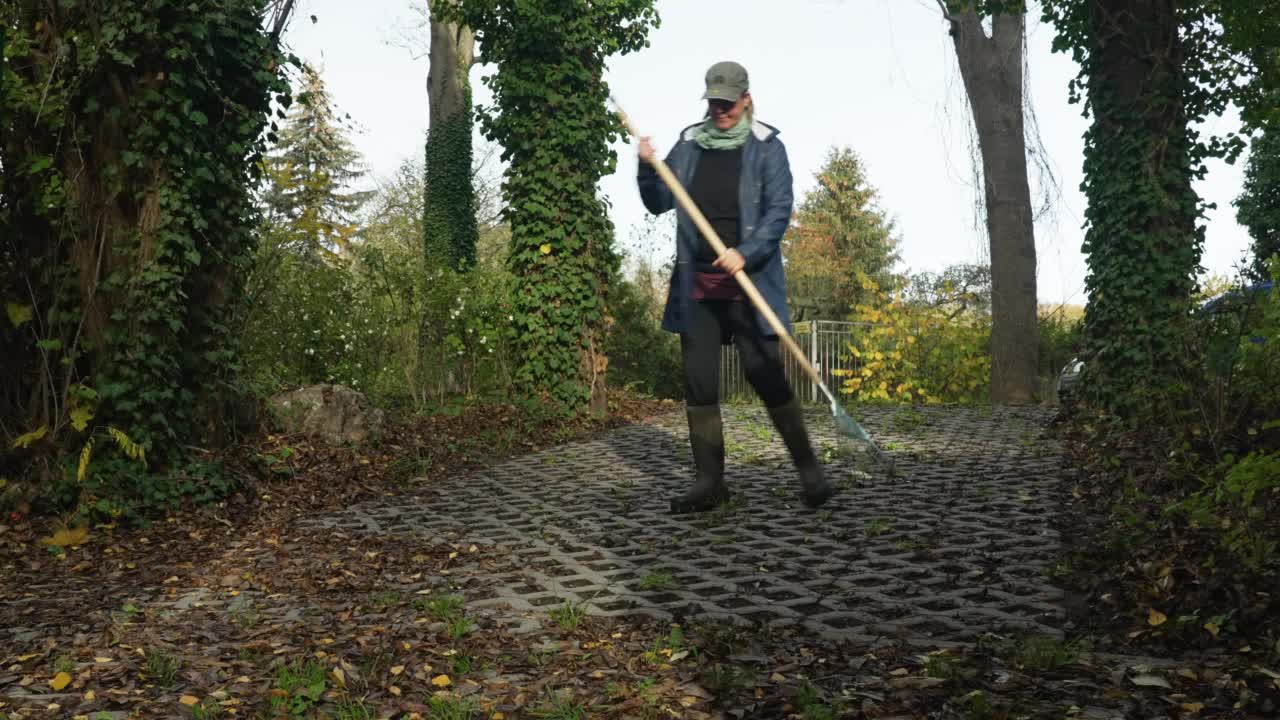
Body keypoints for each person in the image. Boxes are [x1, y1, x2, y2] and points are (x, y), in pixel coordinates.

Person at [636, 60, 836, 514]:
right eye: (714, 102)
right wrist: (647, 168)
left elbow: (779, 210)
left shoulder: (768, 148)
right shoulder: (687, 145)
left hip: (749, 282)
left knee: (764, 373)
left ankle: (810, 473)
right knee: (699, 382)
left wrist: (745, 251)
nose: (721, 110)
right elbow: (657, 202)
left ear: (746, 99)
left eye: (728, 102)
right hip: (698, 283)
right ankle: (710, 482)